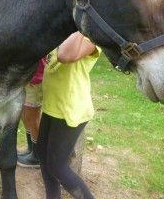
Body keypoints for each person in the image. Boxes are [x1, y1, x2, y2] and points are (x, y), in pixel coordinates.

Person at [34, 32, 101, 199]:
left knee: (58, 166)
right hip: (53, 107)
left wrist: (81, 22)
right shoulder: (63, 30)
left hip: (71, 110)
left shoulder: (90, 37)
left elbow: (64, 55)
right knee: (43, 156)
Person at [17, 58, 46, 168]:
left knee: (33, 118)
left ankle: (37, 156)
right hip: (26, 78)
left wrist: (36, 77)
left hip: (34, 79)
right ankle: (31, 149)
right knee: (25, 116)